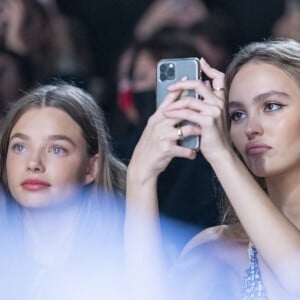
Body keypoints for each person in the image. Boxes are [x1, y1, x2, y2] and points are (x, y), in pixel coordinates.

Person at [125, 38, 300, 299]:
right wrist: (139, 179)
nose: (251, 128)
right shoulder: (217, 247)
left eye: (271, 106)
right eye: (237, 115)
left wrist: (222, 155)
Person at [0, 83, 127, 299]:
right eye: (20, 147)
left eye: (57, 149)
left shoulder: (127, 252)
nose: (33, 163)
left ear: (91, 168)